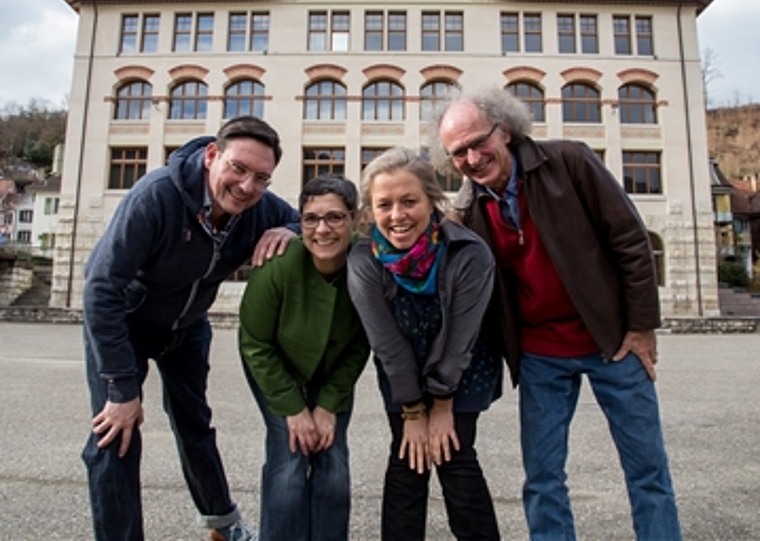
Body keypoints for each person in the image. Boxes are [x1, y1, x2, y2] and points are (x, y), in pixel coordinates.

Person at [431, 86, 681, 541]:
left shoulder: (570, 161)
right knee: (543, 479)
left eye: (477, 142)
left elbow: (630, 240)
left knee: (647, 470)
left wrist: (642, 327)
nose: (471, 158)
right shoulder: (466, 210)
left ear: (504, 130)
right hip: (540, 352)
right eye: (458, 153)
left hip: (613, 341)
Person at [82, 116, 300, 541]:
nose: (247, 186)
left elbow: (307, 222)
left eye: (261, 178)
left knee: (195, 424)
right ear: (212, 156)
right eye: (238, 168)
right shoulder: (157, 196)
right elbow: (100, 287)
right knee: (116, 434)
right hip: (126, 322)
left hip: (187, 327)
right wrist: (121, 388)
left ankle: (222, 525)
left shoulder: (260, 207)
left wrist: (288, 230)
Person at [347, 147, 502, 541]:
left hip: (462, 367)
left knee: (454, 454)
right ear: (371, 209)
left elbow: (461, 338)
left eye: (409, 201)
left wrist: (443, 402)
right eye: (384, 204)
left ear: (432, 200)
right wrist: (414, 410)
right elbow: (386, 344)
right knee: (407, 454)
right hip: (403, 371)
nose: (397, 215)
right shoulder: (364, 259)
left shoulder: (469, 253)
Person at [239, 174, 370, 541]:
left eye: (335, 217)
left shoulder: (365, 263)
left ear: (353, 219)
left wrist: (328, 405)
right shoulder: (278, 265)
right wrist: (294, 410)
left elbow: (361, 344)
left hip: (332, 372)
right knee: (291, 459)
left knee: (332, 462)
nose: (322, 229)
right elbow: (255, 343)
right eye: (311, 218)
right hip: (276, 367)